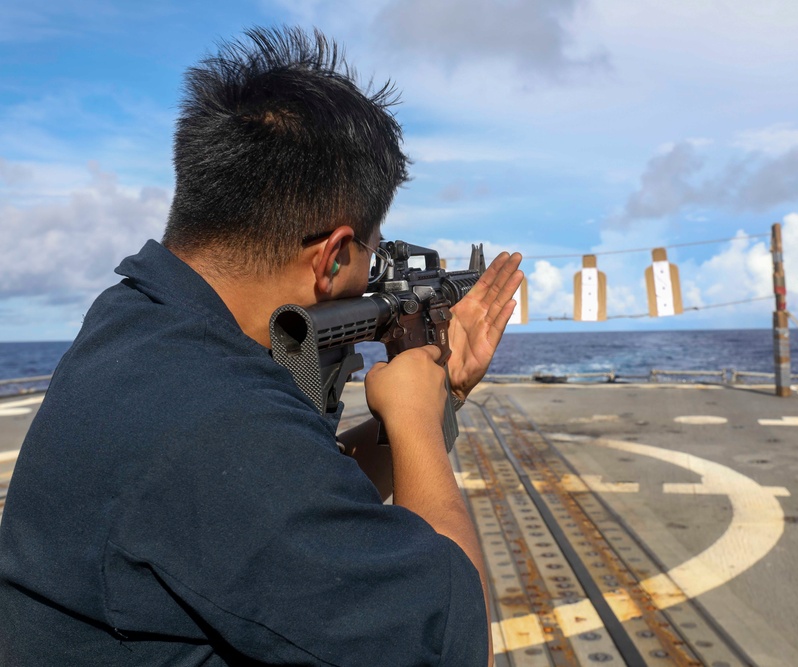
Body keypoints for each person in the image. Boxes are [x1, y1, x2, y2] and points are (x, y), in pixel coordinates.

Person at [0, 26, 522, 666]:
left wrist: (444, 397)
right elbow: (452, 647)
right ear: (331, 257)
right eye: (371, 255)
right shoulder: (216, 420)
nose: (371, 275)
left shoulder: (138, 316)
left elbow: (297, 497)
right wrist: (414, 416)